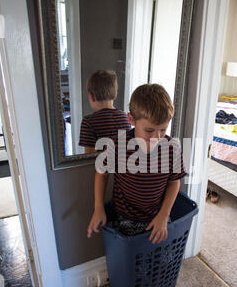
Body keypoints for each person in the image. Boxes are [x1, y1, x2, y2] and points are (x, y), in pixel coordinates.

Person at [87, 83, 187, 244]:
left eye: (163, 129)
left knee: (160, 259)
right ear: (131, 119)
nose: (157, 137)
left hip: (158, 216)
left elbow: (174, 182)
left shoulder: (171, 148)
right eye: (149, 130)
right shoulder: (117, 145)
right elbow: (101, 174)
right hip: (125, 218)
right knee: (132, 260)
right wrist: (98, 208)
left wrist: (164, 215)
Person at [79, 70, 131, 153]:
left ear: (92, 97)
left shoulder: (88, 122)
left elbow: (88, 158)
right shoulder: (125, 117)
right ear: (115, 94)